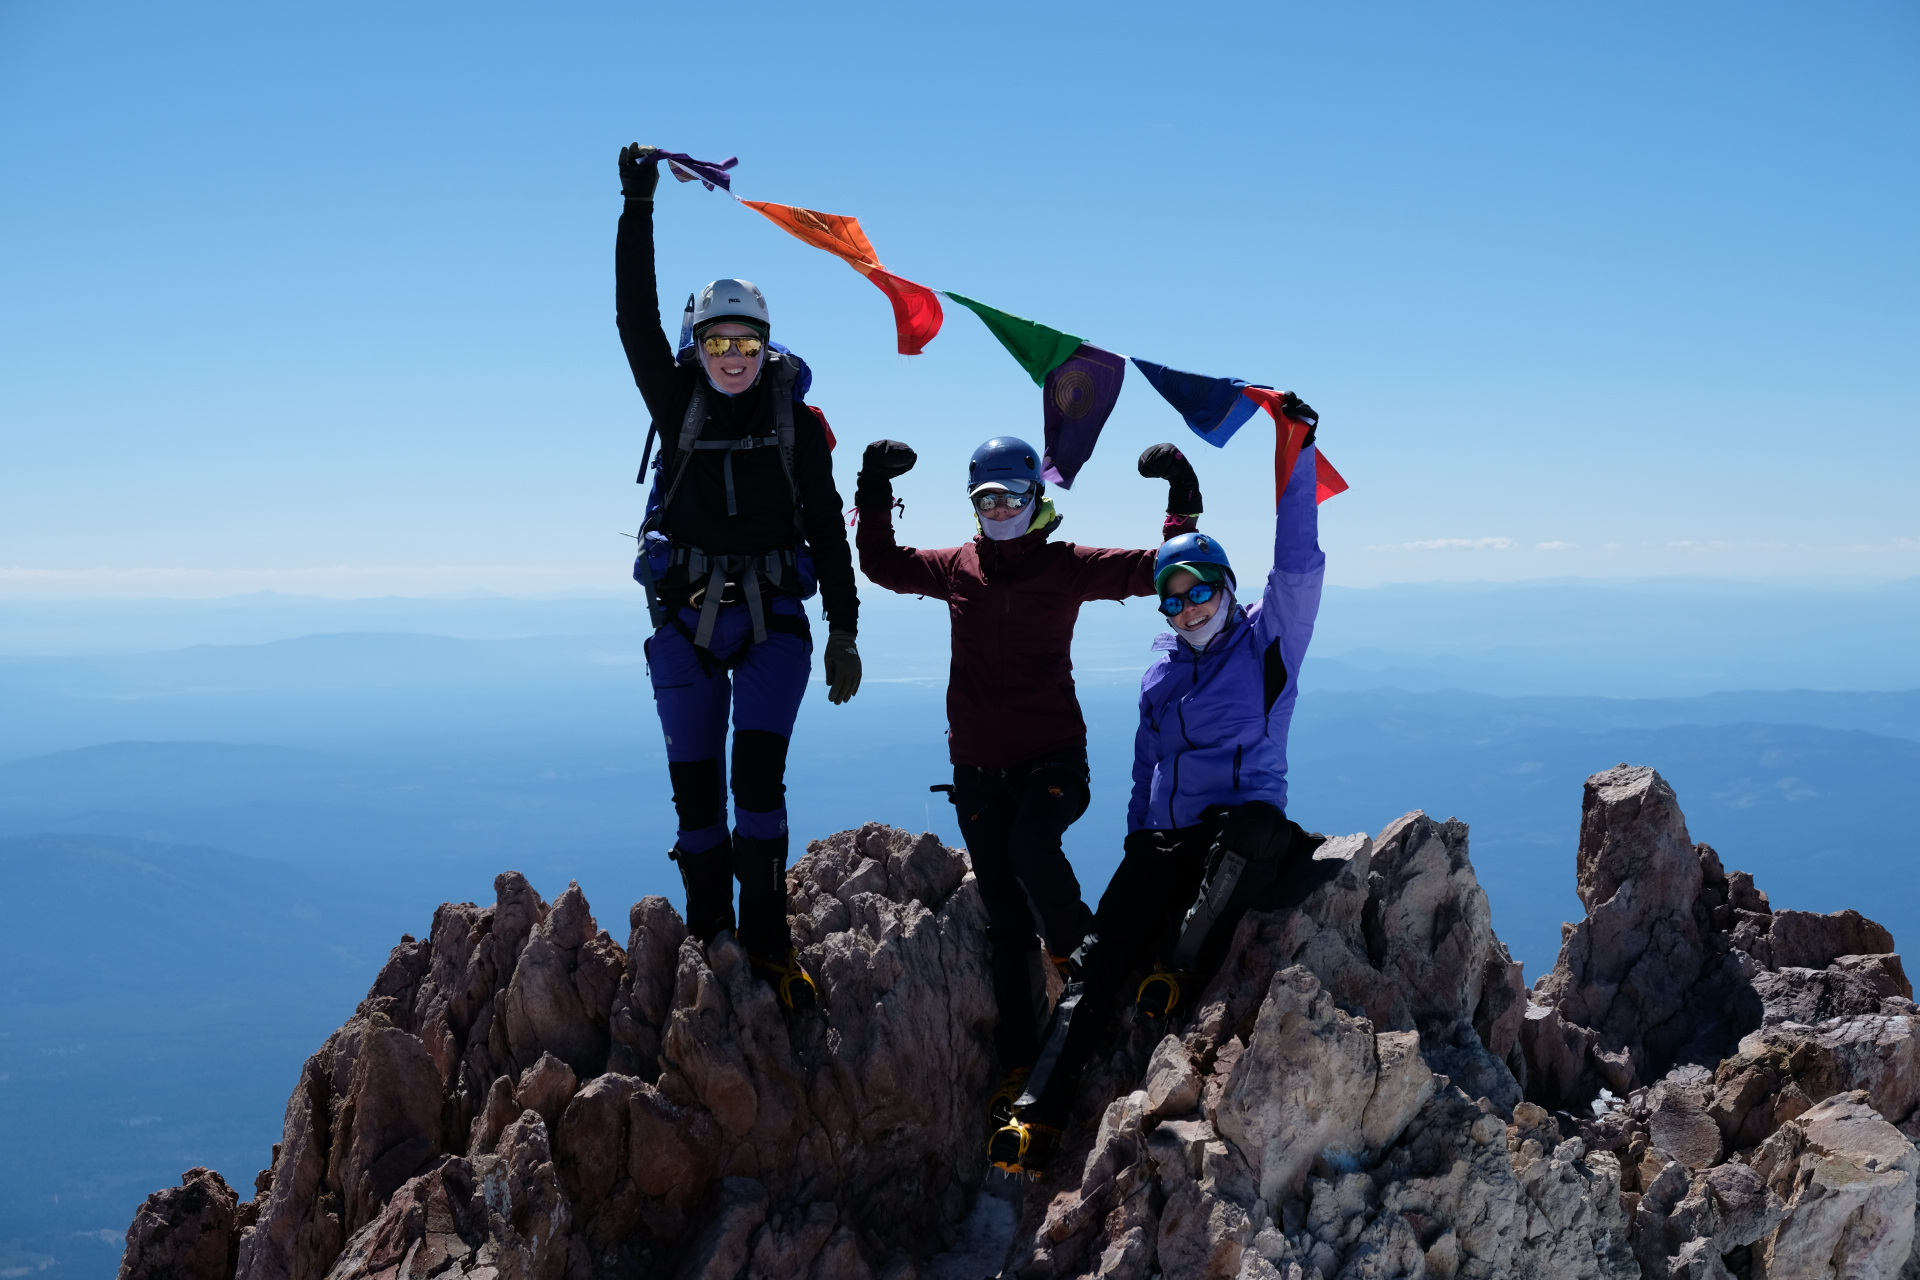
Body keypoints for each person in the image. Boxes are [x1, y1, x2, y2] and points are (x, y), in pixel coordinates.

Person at [988, 393, 1327, 1174]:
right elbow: (1146, 768)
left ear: (1226, 586)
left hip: (1241, 831)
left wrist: (1298, 449)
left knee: (1249, 838)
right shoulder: (1160, 674)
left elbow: (1300, 561)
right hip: (1165, 843)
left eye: (1200, 591)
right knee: (1097, 964)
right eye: (1172, 599)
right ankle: (1034, 1115)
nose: (1185, 608)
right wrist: (1140, 839)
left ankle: (1175, 971)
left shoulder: (1268, 645)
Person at [855, 433, 1204, 1121]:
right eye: (986, 499)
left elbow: (1165, 569)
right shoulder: (957, 567)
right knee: (1006, 922)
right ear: (974, 505)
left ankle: (1088, 961)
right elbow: (881, 565)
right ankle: (1022, 1062)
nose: (1000, 509)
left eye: (1012, 496)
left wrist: (1181, 498)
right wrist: (871, 485)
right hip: (978, 772)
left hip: (1054, 761)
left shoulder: (1065, 567)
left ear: (1036, 498)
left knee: (1031, 849)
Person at [615, 143, 862, 1010]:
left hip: (773, 630)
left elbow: (829, 528)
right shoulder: (674, 400)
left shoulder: (796, 422)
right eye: (718, 340)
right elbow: (631, 322)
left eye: (746, 340)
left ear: (766, 344)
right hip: (684, 622)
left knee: (758, 789)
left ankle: (767, 940)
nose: (733, 354)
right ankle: (710, 935)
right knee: (695, 798)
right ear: (696, 346)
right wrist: (637, 202)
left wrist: (844, 628)